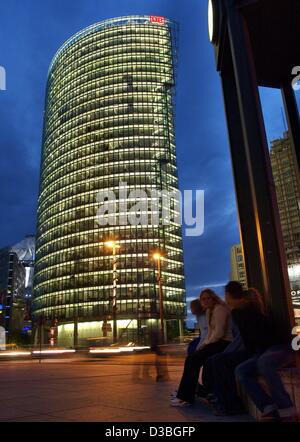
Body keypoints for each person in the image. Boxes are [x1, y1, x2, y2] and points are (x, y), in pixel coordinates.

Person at [170, 289, 233, 407]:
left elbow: (219, 333)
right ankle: (186, 395)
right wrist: (204, 344)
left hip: (225, 342)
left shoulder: (220, 309)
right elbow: (209, 332)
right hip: (215, 342)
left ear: (213, 298)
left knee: (193, 360)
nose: (206, 301)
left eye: (208, 298)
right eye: (203, 299)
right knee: (191, 359)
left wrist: (206, 344)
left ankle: (186, 396)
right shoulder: (209, 311)